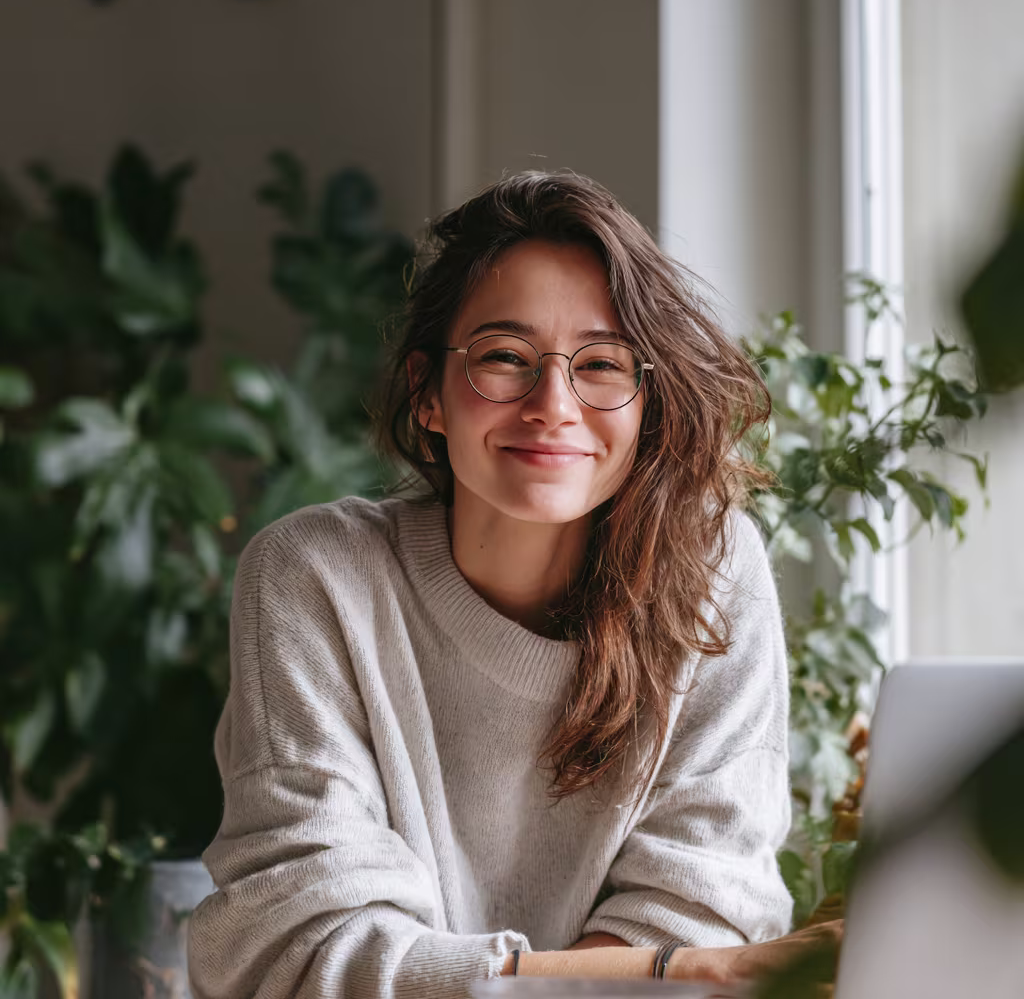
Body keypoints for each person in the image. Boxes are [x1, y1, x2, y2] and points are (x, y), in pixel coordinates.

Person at [187, 171, 839, 998]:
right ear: (426, 393)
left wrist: (624, 971)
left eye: (602, 364)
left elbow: (706, 916)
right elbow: (308, 954)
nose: (554, 404)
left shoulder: (712, 571)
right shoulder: (314, 578)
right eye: (504, 358)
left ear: (646, 401)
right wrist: (647, 973)